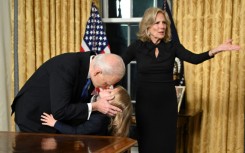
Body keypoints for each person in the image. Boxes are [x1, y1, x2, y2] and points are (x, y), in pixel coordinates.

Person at [120, 7, 241, 153]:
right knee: (147, 143)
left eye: (164, 23)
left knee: (166, 144)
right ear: (148, 25)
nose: (162, 26)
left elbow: (193, 58)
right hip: (145, 103)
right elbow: (119, 64)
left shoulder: (172, 46)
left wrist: (215, 50)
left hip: (167, 103)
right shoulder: (137, 46)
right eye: (157, 23)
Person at [11, 52, 125, 133]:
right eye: (106, 83)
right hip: (33, 116)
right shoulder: (67, 66)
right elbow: (60, 111)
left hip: (53, 116)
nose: (107, 87)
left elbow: (76, 100)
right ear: (98, 72)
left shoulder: (90, 68)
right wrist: (95, 106)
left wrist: (96, 99)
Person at [40, 85, 133, 137]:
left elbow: (76, 132)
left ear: (109, 105)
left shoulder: (99, 120)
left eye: (110, 92)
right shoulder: (101, 117)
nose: (108, 87)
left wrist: (55, 123)